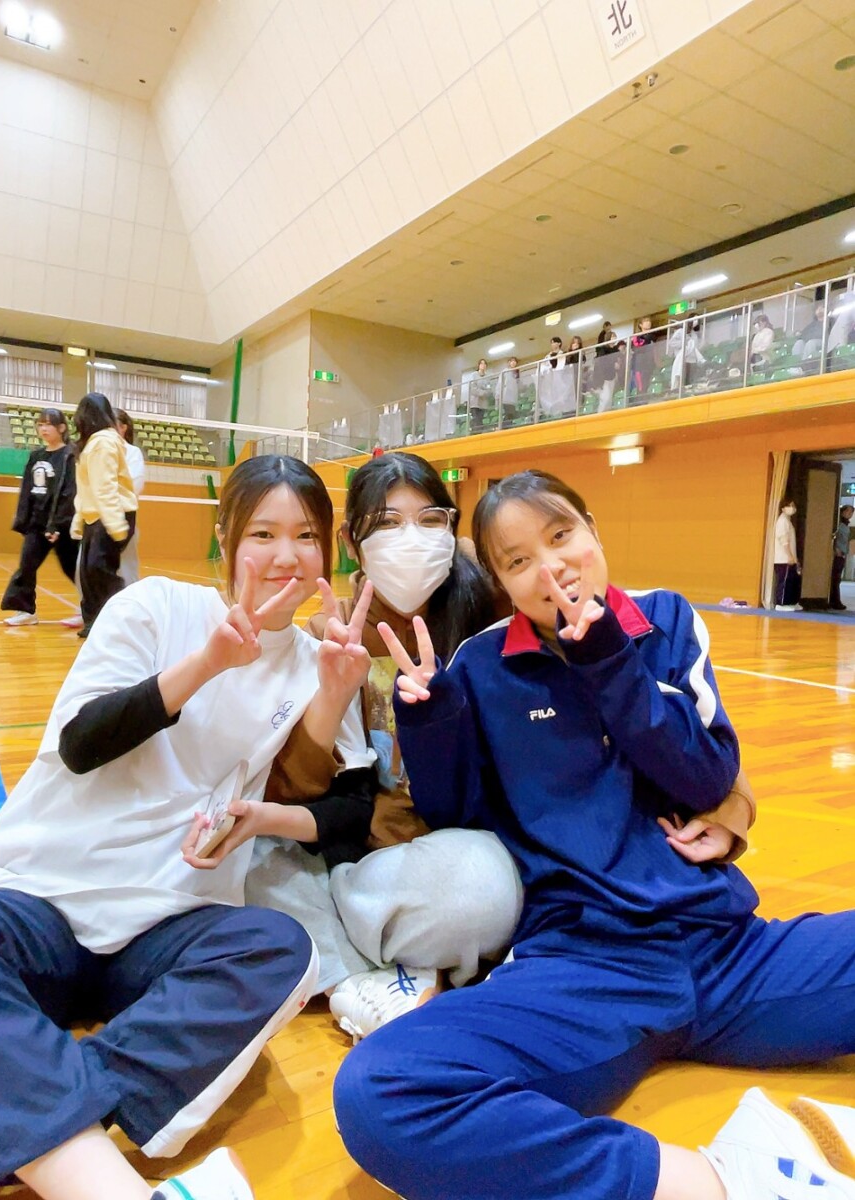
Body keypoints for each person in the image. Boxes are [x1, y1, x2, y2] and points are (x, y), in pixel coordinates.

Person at [334, 467, 855, 1200]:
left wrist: (609, 660)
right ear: (500, 582)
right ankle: (714, 1180)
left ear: (593, 530)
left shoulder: (665, 621)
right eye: (519, 561)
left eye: (561, 536)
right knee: (382, 1088)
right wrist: (428, 720)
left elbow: (706, 777)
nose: (551, 568)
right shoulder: (482, 663)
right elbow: (458, 817)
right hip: (583, 968)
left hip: (725, 952)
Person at [0, 454, 376, 1200]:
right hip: (42, 899)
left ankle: (21, 1113)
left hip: (166, 927)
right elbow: (82, 743)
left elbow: (341, 809)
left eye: (307, 536)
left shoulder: (325, 658)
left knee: (281, 950)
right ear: (226, 538)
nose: (286, 555)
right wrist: (207, 663)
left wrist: (335, 698)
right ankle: (96, 1172)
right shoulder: (154, 607)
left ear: (329, 551)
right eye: (264, 533)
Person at [244, 452, 523, 1042]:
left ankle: (345, 960)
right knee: (249, 854)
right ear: (352, 540)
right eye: (388, 523)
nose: (411, 539)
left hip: (451, 857)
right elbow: (298, 793)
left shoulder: (492, 615)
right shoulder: (326, 633)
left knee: (486, 886)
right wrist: (331, 692)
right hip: (356, 863)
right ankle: (373, 974)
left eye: (430, 520)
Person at [1, 408, 78, 627]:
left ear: (61, 428)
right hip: (37, 523)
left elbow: (69, 491)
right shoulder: (36, 456)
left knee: (72, 568)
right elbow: (27, 489)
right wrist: (23, 519)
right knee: (27, 565)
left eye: (48, 424)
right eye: (40, 424)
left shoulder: (70, 455)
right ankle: (26, 610)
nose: (43, 428)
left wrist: (58, 524)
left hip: (61, 524)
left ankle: (92, 606)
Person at [71, 393, 138, 637]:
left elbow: (105, 487)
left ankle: (122, 618)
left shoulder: (104, 442)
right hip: (96, 516)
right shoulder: (91, 444)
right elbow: (86, 488)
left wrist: (115, 524)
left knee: (100, 571)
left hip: (113, 513)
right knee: (88, 573)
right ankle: (94, 623)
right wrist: (79, 519)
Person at [115, 408, 146, 585]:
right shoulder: (96, 451)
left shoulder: (132, 453)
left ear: (123, 427)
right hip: (96, 521)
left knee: (127, 571)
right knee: (86, 567)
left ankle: (131, 600)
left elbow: (133, 488)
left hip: (123, 519)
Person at [773, 498, 801, 611]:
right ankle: (781, 604)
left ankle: (791, 602)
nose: (792, 508)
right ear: (783, 508)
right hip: (783, 558)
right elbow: (783, 540)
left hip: (790, 557)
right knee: (784, 581)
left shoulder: (788, 521)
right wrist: (789, 555)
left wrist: (794, 557)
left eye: (793, 506)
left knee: (791, 581)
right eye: (789, 506)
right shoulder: (782, 521)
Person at [830, 503, 853, 612]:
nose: (850, 514)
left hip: (843, 553)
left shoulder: (846, 524)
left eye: (851, 512)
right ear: (843, 512)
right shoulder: (839, 524)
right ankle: (835, 601)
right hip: (838, 553)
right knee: (835, 577)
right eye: (848, 511)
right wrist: (836, 549)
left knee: (838, 578)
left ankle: (836, 600)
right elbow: (835, 536)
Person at [669, 319, 704, 391]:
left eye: (697, 320)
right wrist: (684, 343)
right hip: (682, 359)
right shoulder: (680, 331)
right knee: (681, 378)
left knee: (690, 380)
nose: (695, 322)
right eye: (694, 319)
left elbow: (696, 347)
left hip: (692, 360)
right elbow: (672, 343)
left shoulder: (694, 335)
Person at [591, 329, 621, 412]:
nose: (614, 338)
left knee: (610, 397)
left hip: (612, 375)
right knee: (605, 397)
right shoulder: (603, 349)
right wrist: (613, 364)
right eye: (612, 336)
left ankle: (607, 413)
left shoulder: (616, 350)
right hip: (604, 377)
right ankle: (600, 413)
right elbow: (602, 362)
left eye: (615, 336)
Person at [630, 316, 656, 399]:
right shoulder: (637, 336)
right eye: (646, 321)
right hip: (639, 366)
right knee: (640, 387)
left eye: (649, 321)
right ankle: (640, 402)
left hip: (649, 364)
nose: (648, 323)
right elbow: (636, 347)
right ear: (640, 325)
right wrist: (646, 340)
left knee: (647, 384)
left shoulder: (652, 336)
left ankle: (644, 401)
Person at [467, 358, 495, 433]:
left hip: (483, 403)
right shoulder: (473, 375)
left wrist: (485, 392)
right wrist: (482, 393)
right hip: (475, 403)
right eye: (481, 363)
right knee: (476, 419)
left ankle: (479, 433)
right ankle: (475, 433)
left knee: (480, 419)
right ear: (479, 365)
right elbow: (473, 388)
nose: (483, 365)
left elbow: (489, 388)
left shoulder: (488, 377)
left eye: (485, 364)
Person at [497, 356, 520, 427]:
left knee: (512, 414)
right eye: (512, 361)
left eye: (515, 361)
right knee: (509, 413)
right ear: (509, 362)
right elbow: (500, 384)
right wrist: (498, 395)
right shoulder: (505, 371)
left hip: (513, 398)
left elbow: (518, 385)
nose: (513, 362)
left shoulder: (516, 373)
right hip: (506, 397)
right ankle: (504, 427)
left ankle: (507, 426)